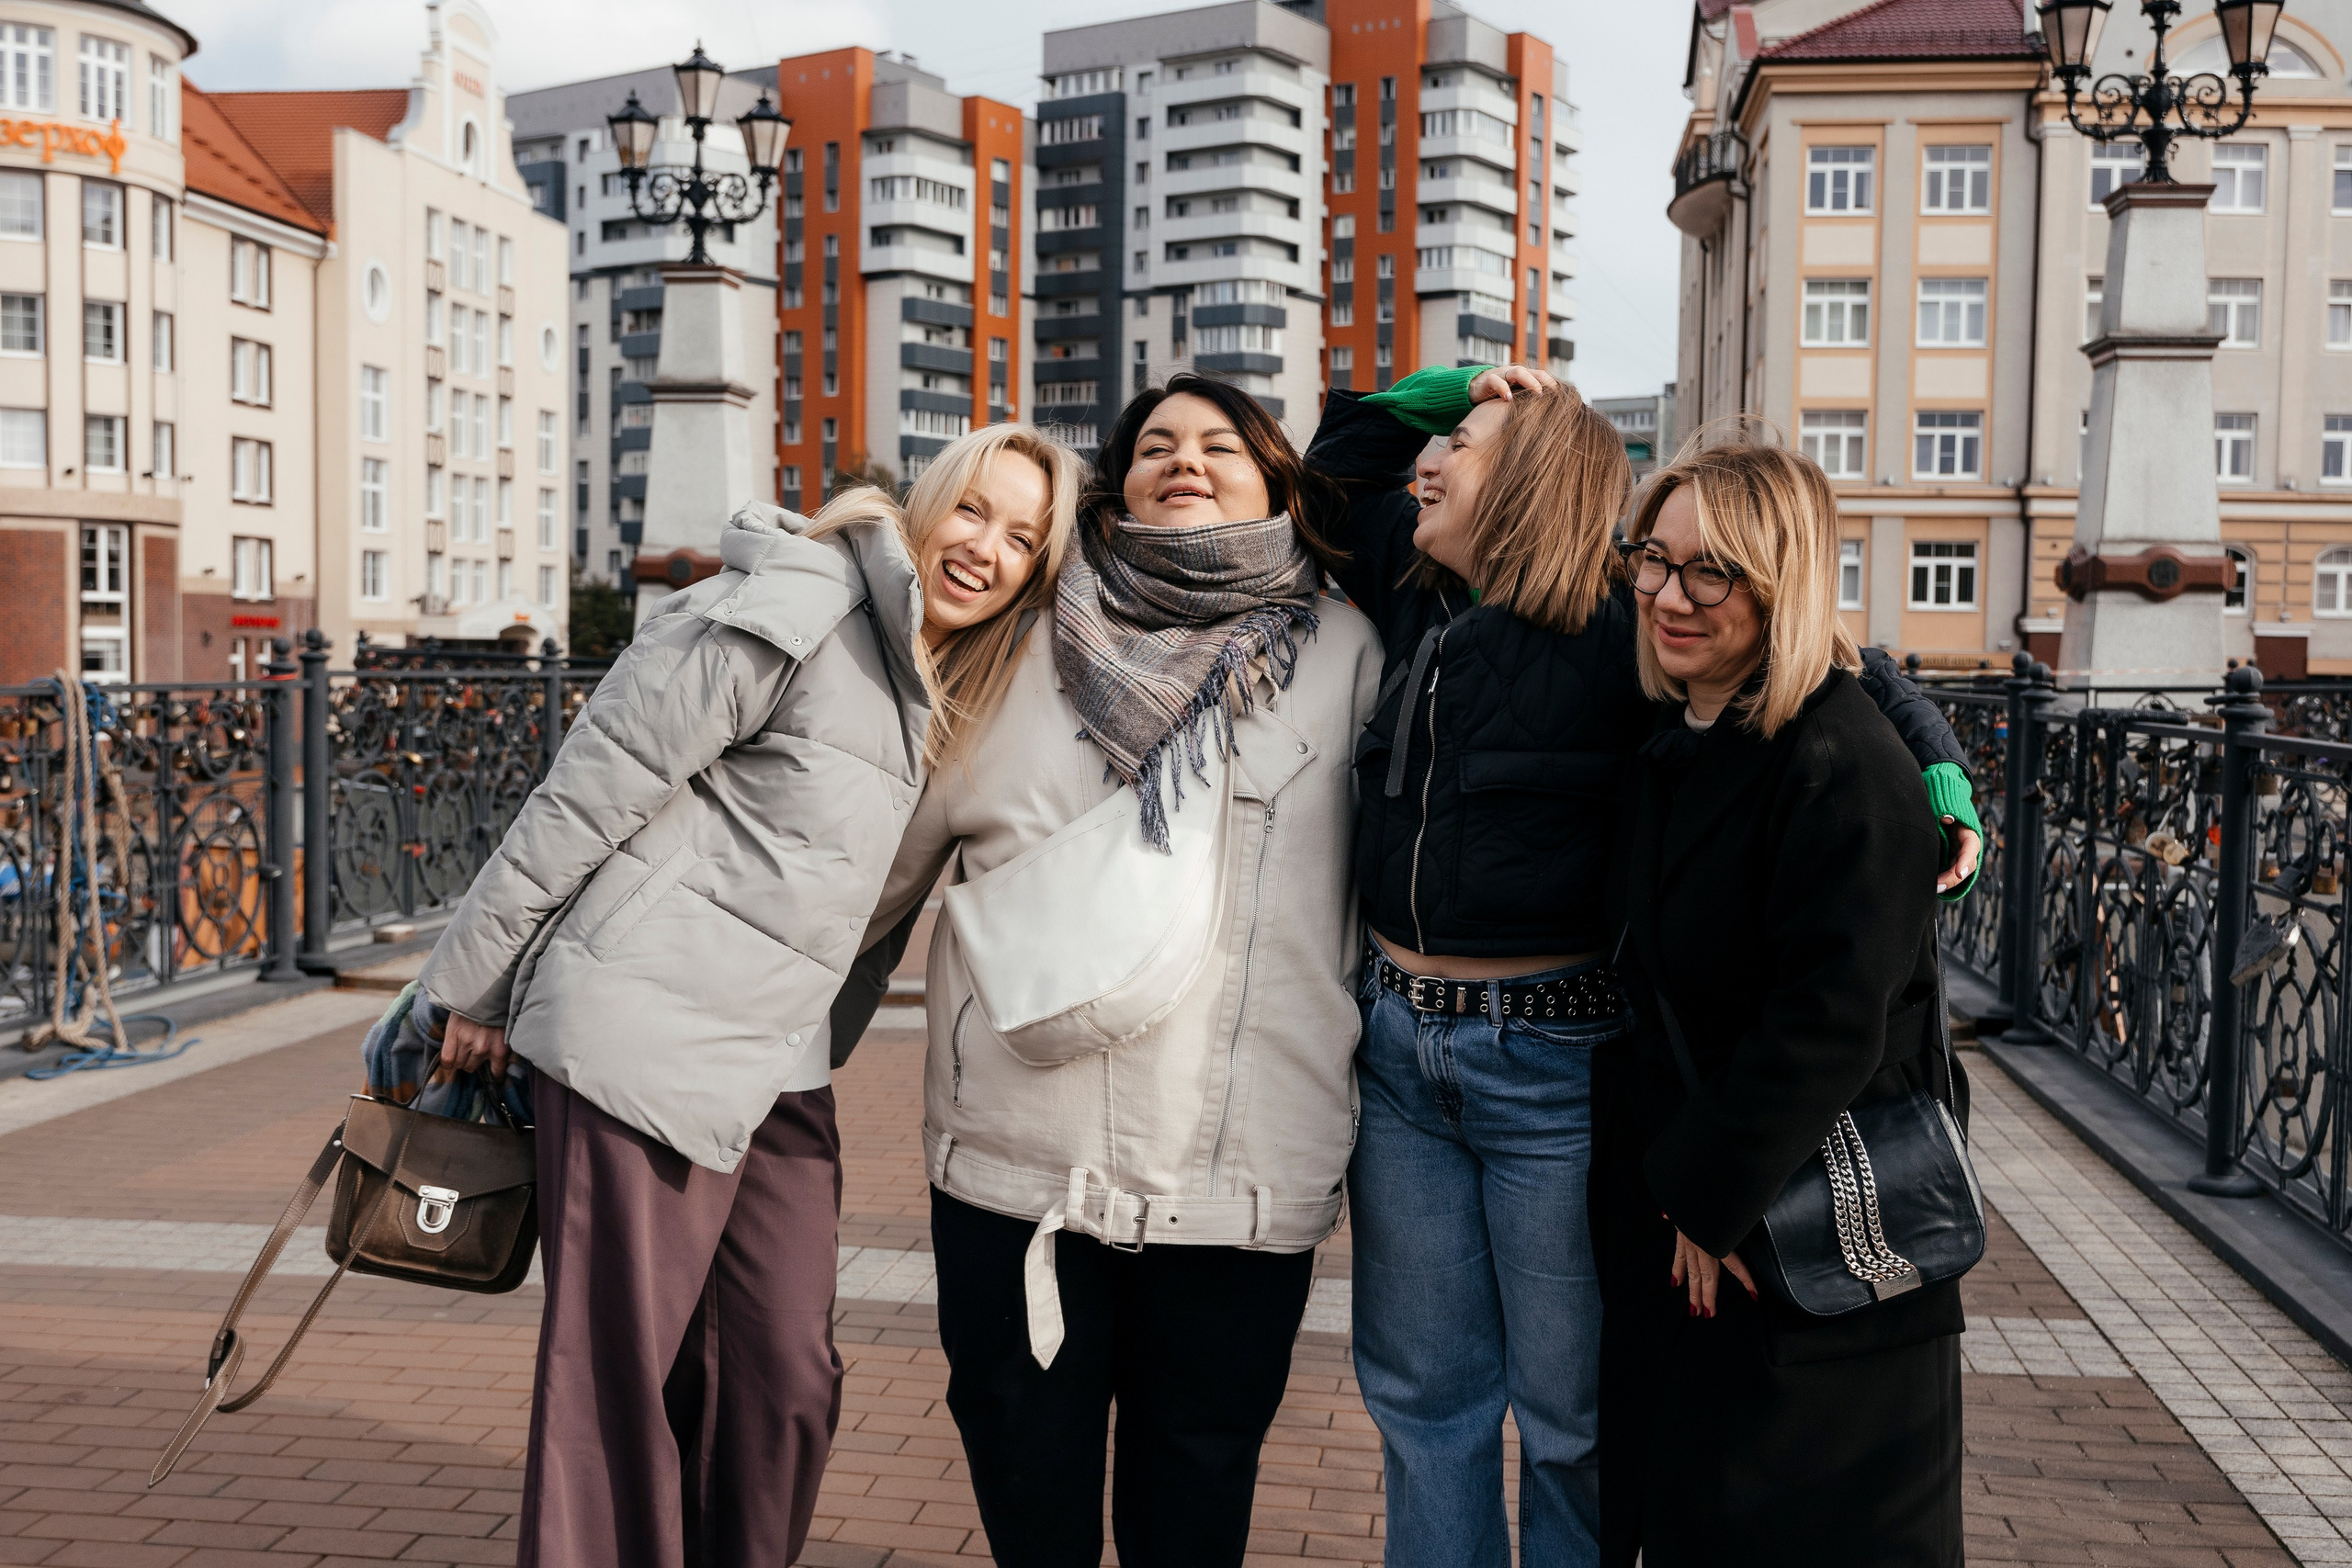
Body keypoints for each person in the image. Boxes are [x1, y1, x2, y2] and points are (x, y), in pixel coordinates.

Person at [1301, 366, 1980, 1567]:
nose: (1428, 463)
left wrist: (1933, 757)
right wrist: (1457, 386)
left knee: (1572, 1417)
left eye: (1461, 443)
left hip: (1550, 1060)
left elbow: (1819, 651)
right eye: (1658, 561)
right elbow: (1330, 468)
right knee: (1422, 1400)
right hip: (1400, 1053)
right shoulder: (1413, 594)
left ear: (1531, 479)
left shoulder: (1623, 630)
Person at [415, 423, 1082, 1568]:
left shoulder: (942, 674)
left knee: (781, 1378)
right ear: (922, 505)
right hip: (646, 1036)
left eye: (1023, 539)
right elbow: (592, 787)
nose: (987, 549)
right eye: (973, 510)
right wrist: (473, 981)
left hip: (780, 1069)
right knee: (614, 1382)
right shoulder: (801, 603)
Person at [858, 374, 1383, 1568]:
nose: (1183, 459)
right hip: (1016, 1175)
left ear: (1277, 482)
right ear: (1117, 484)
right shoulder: (1017, 642)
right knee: (1026, 1488)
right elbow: (875, 878)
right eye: (1155, 445)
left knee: (1193, 1506)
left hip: (1240, 1181)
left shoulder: (1348, 649)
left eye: (1219, 445)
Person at [1596, 439, 1964, 1565]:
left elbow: (1833, 1021)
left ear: (1782, 582)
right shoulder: (1685, 733)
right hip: (1708, 1225)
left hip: (1806, 1239)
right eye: (1654, 560)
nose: (1669, 596)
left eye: (1711, 571)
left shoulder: (1840, 761)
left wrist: (1707, 1203)